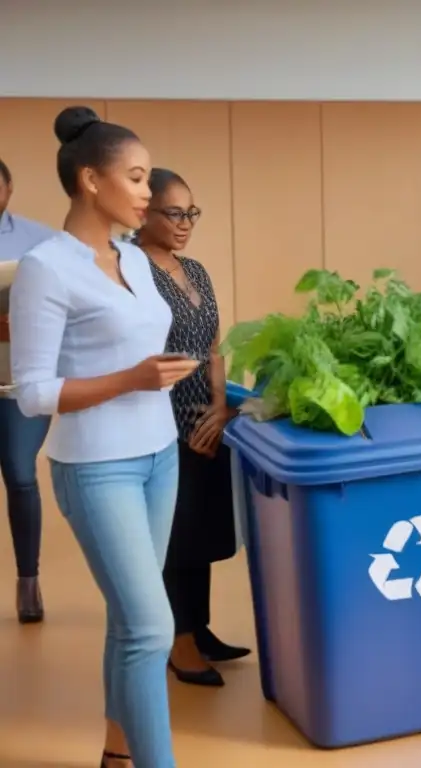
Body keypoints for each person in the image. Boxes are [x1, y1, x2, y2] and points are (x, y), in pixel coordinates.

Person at [10, 106, 197, 767]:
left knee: (129, 623)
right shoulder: (45, 268)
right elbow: (33, 391)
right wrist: (133, 379)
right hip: (97, 468)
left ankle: (117, 755)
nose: (150, 192)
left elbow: (143, 353)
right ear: (91, 180)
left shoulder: (134, 260)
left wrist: (162, 376)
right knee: (152, 628)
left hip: (159, 456)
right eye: (138, 177)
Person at [135, 168, 250, 689]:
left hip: (206, 418)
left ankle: (197, 628)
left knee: (200, 531)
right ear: (145, 212)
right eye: (173, 212)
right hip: (159, 423)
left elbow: (215, 344)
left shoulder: (195, 270)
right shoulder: (133, 270)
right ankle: (176, 643)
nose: (185, 224)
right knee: (174, 535)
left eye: (191, 213)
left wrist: (220, 408)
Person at [0, 158, 55, 623]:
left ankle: (28, 581)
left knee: (20, 473)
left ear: (9, 187)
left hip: (19, 380)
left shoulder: (42, 242)